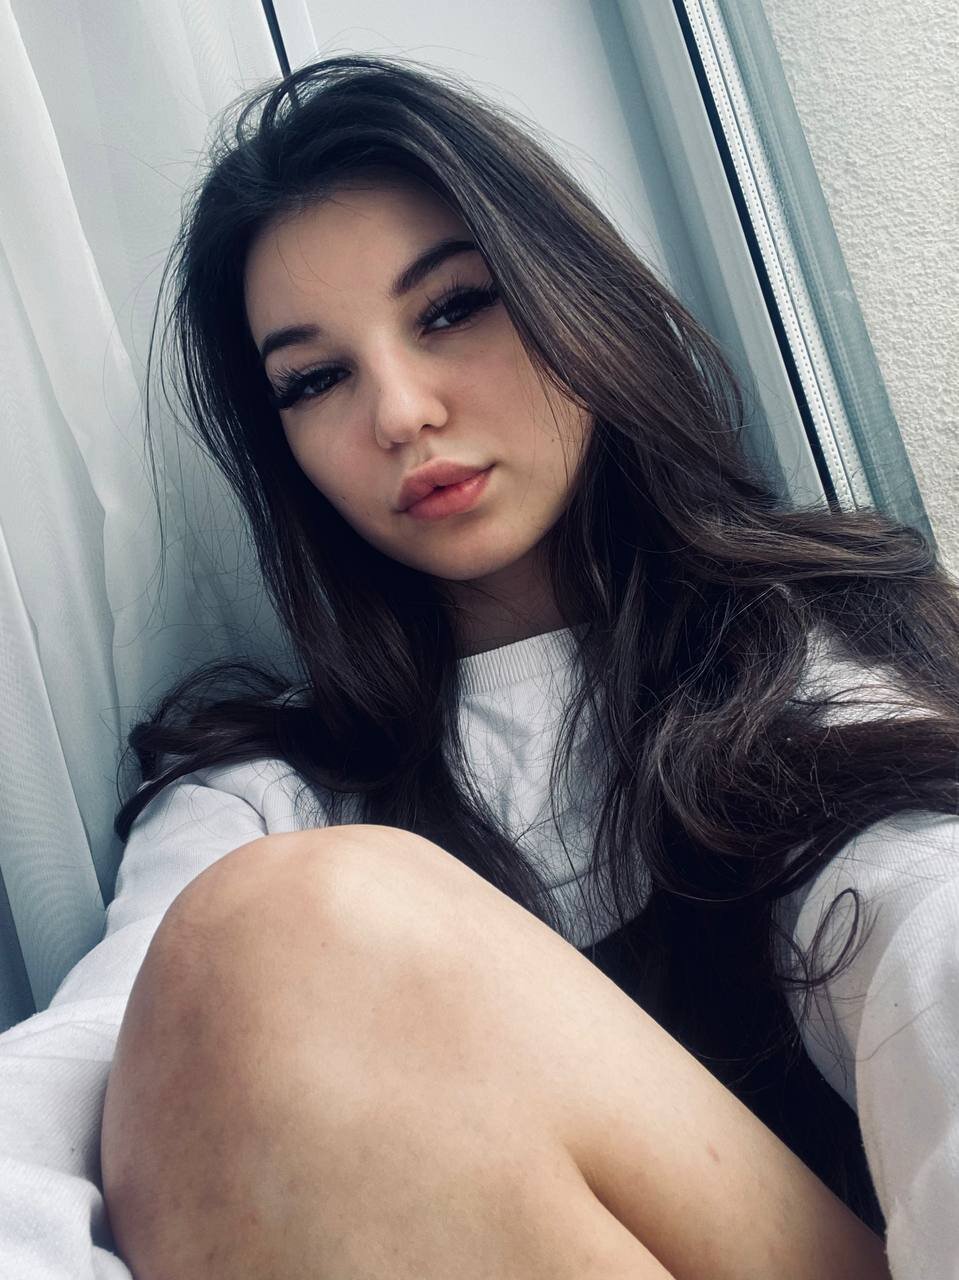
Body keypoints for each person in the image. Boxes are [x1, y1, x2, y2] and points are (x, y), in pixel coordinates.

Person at [1, 52, 956, 1279]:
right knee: (256, 932)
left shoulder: (800, 660)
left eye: (451, 308)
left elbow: (927, 945)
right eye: (315, 379)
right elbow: (69, 1082)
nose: (399, 413)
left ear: (571, 297)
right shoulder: (264, 802)